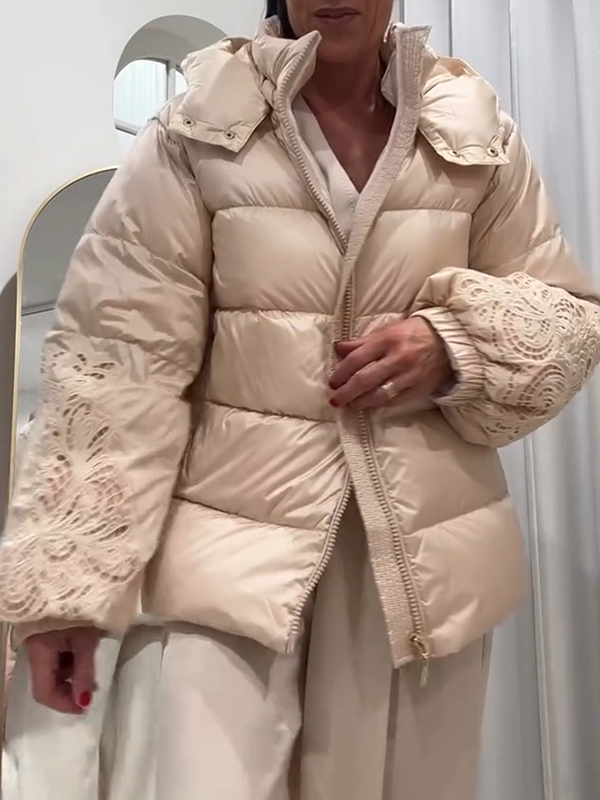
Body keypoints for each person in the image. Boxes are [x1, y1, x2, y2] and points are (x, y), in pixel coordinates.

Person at [1, 1, 599, 798]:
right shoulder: (198, 130)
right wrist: (66, 593)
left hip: (421, 574)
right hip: (235, 570)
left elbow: (568, 320)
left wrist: (455, 343)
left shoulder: (474, 130)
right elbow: (117, 363)